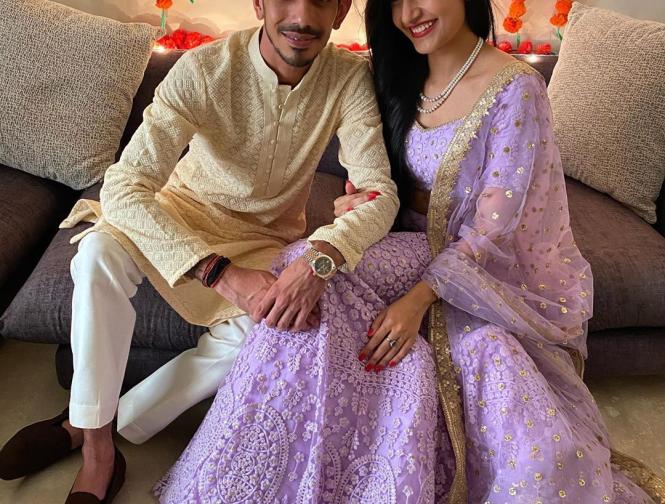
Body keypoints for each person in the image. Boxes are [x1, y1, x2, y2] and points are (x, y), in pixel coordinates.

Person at [155, 0, 665, 502]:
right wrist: (361, 200)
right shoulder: (396, 74)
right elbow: (379, 183)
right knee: (303, 267)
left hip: (481, 270)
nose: (409, 13)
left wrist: (415, 302)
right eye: (396, 1)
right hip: (408, 244)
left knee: (532, 452)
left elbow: (493, 231)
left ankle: (376, 472)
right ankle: (270, 470)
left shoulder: (517, 89)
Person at [0, 1, 402, 502]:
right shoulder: (205, 67)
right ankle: (99, 452)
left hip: (263, 238)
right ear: (259, 3)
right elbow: (124, 187)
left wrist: (320, 259)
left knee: (273, 329)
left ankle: (94, 422)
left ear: (341, 11)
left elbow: (380, 194)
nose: (301, 16)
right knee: (97, 252)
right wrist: (219, 273)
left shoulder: (348, 79)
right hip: (181, 212)